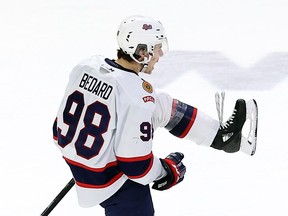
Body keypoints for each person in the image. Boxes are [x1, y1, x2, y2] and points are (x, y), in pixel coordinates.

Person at [52, 15, 258, 216]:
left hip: (81, 161)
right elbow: (136, 166)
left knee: (160, 104)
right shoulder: (136, 96)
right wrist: (166, 171)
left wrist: (92, 151)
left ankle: (222, 137)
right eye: (157, 48)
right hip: (111, 182)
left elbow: (57, 131)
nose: (160, 55)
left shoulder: (87, 66)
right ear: (142, 52)